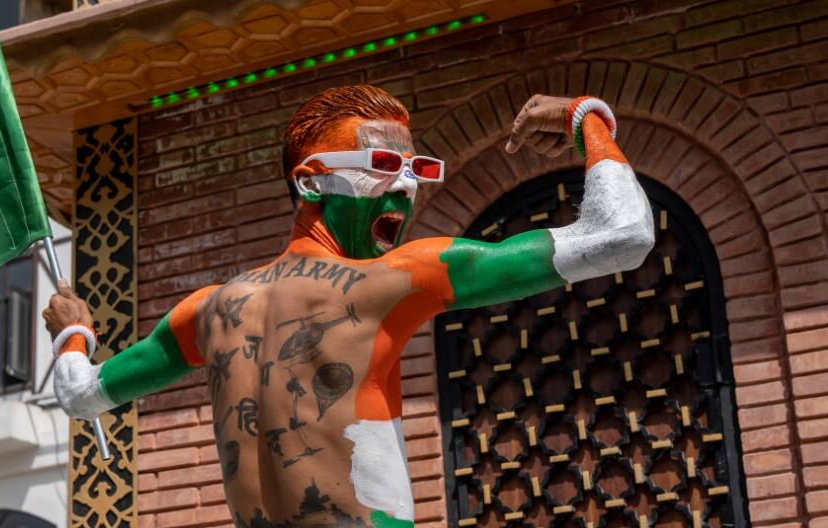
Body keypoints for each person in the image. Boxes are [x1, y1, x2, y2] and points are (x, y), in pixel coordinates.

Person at [44, 86, 653, 528]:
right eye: (384, 166)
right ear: (311, 182)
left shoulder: (208, 311)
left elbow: (81, 394)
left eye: (417, 168)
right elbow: (622, 234)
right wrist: (586, 121)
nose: (409, 186)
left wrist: (75, 333)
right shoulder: (394, 278)